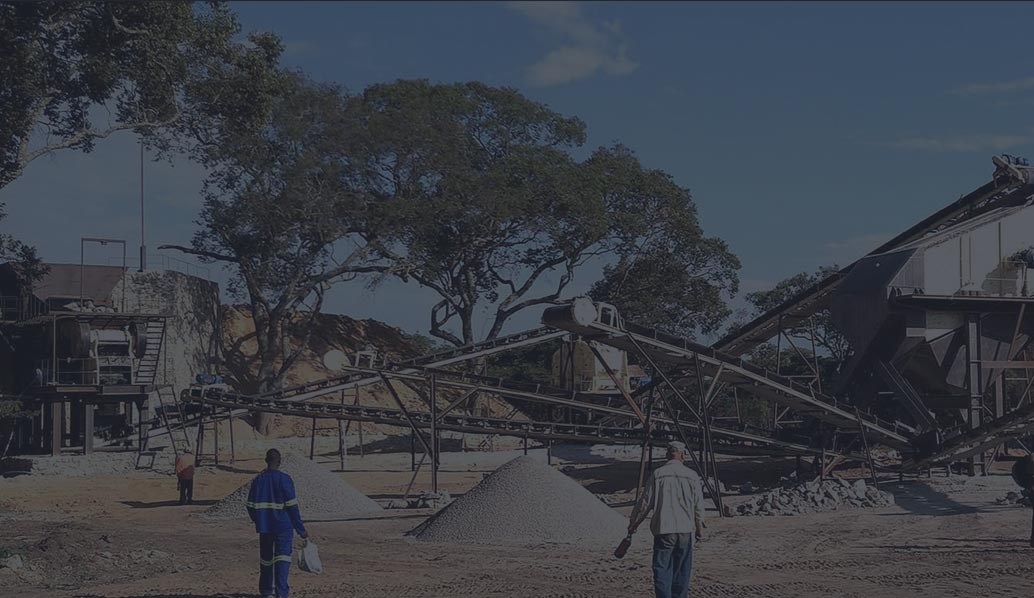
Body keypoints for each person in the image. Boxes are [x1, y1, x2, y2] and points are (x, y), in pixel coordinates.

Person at [628, 441, 706, 598]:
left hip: (664, 528)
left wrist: (634, 523)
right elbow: (698, 504)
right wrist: (699, 527)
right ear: (682, 455)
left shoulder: (658, 474)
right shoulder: (692, 475)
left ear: (667, 454)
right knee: (682, 570)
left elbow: (645, 503)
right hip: (685, 529)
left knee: (662, 570)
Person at [247, 449, 308, 598]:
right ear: (279, 462)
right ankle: (281, 592)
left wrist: (258, 519)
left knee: (266, 560)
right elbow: (292, 507)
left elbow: (250, 505)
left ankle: (266, 591)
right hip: (283, 526)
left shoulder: (258, 480)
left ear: (266, 461)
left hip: (265, 526)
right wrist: (300, 529)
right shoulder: (284, 479)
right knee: (283, 558)